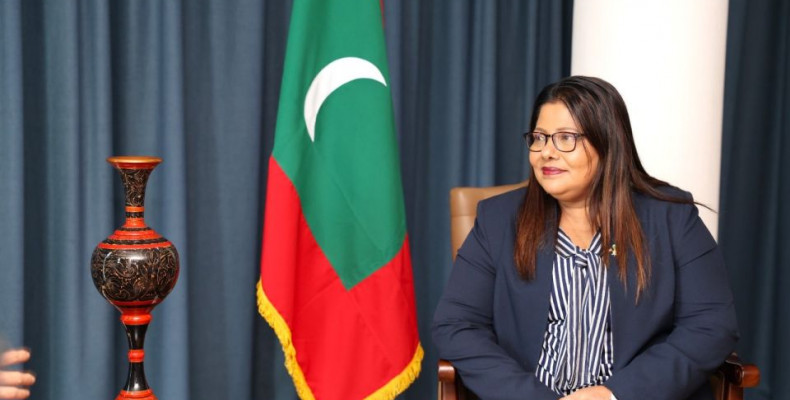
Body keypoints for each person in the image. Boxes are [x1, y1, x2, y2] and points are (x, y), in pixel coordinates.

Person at [432, 76, 738, 400]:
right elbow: (457, 324)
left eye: (566, 138)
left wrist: (613, 395)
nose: (546, 152)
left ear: (608, 143)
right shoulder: (498, 220)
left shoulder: (672, 218)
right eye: (538, 138)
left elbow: (711, 325)